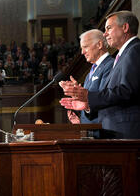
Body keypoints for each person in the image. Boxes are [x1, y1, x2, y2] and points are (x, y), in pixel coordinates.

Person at [60, 11, 140, 139]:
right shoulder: (123, 55)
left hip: (127, 130)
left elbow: (126, 90)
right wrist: (86, 104)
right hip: (115, 129)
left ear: (125, 28)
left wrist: (87, 96)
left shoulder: (134, 50)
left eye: (108, 28)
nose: (105, 34)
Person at [65, 29, 113, 125]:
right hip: (91, 130)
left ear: (99, 45)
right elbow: (87, 104)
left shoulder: (110, 65)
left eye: (85, 47)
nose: (82, 52)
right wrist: (81, 121)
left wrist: (84, 100)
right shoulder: (89, 73)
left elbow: (106, 101)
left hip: (104, 130)